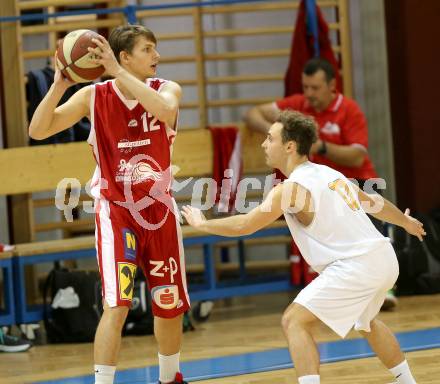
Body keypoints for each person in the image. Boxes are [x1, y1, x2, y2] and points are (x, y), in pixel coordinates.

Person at [181, 110, 424, 384]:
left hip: (357, 266)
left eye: (270, 138)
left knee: (294, 321)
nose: (264, 144)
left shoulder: (290, 189)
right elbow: (373, 203)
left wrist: (202, 225)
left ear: (289, 146)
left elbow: (245, 225)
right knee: (366, 323)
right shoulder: (330, 173)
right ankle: (407, 382)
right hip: (383, 259)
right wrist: (405, 221)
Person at [29, 25, 189, 384]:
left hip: (159, 211)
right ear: (126, 56)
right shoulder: (93, 96)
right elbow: (38, 131)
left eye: (155, 48)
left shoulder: (167, 89)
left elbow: (164, 111)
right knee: (116, 304)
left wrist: (117, 72)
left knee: (167, 301)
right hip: (116, 212)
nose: (157, 56)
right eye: (148, 49)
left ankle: (170, 378)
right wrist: (58, 85)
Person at [245, 57, 399, 309]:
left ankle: (382, 289)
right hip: (318, 187)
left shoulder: (349, 110)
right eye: (305, 87)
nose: (309, 94)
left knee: (367, 208)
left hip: (354, 180)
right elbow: (252, 113)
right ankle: (340, 282)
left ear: (332, 86)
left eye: (315, 88)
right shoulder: (298, 105)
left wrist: (323, 147)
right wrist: (276, 133)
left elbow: (358, 154)